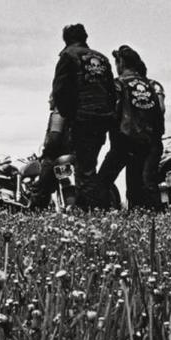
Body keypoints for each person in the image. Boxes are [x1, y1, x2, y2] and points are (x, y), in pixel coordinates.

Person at [48, 23, 116, 208]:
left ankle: (91, 210)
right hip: (103, 119)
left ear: (66, 39)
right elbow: (112, 91)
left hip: (82, 118)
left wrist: (70, 115)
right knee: (90, 164)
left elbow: (60, 91)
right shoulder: (102, 58)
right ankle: (97, 207)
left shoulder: (68, 56)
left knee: (84, 168)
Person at [98, 46, 165, 210]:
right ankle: (150, 221)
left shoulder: (118, 84)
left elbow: (110, 111)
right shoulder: (151, 85)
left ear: (121, 62)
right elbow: (161, 112)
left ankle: (98, 215)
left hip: (124, 141)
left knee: (101, 182)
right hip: (150, 142)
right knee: (142, 187)